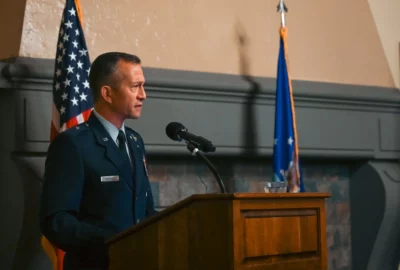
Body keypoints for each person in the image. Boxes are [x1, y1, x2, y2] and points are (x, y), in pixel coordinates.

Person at [39, 52, 158, 270]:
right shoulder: (73, 144)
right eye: (135, 86)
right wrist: (112, 242)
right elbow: (56, 221)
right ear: (107, 93)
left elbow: (146, 211)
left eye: (143, 86)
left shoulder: (135, 141)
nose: (143, 95)